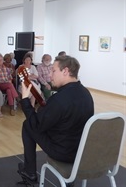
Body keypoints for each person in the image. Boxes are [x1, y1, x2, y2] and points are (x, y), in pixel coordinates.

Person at [17, 56, 94, 185]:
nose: (50, 76)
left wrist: (25, 100)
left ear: (65, 71)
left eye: (53, 71)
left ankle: (30, 172)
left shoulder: (59, 99)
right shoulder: (86, 94)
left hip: (63, 152)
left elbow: (35, 124)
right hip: (81, 150)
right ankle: (29, 171)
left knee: (28, 125)